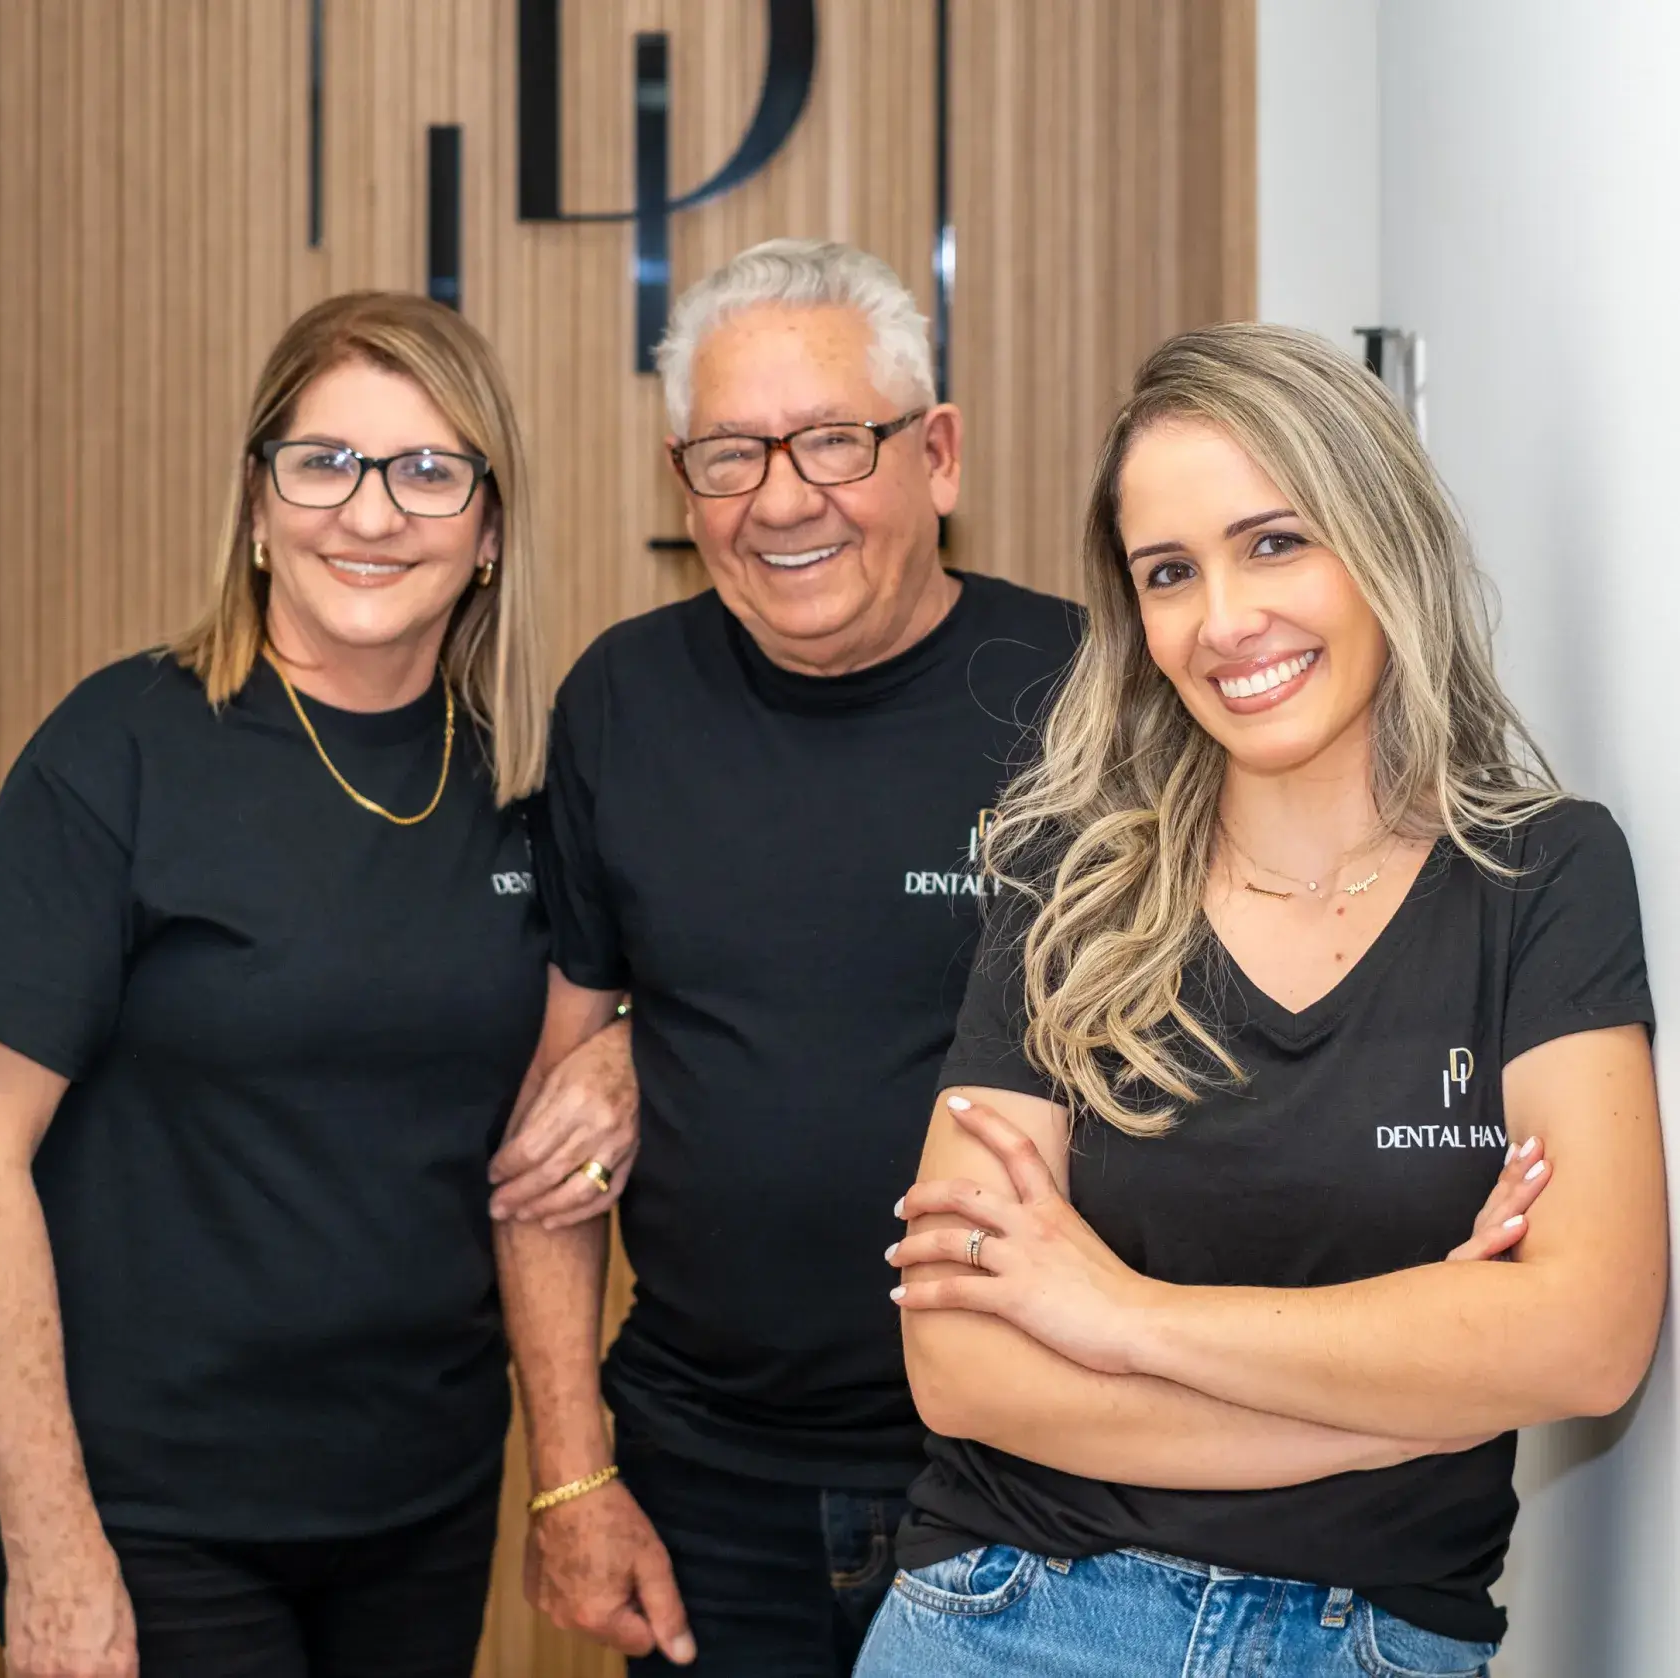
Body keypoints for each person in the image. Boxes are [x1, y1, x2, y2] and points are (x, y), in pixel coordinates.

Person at [856, 323, 1666, 1677]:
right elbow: (965, 1369)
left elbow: (1582, 1338)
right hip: (1018, 1615)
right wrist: (1414, 1400)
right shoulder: (1064, 878)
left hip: (1377, 1642)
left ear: (1379, 540)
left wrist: (1122, 1314)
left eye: (1274, 541)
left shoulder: (1542, 874)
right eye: (1168, 572)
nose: (1224, 621)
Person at [0, 291, 634, 1678]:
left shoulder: (522, 783)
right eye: (325, 461)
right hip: (155, 1515)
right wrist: (46, 1533)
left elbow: (599, 1018)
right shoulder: (121, 752)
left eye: (426, 470)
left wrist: (624, 1049)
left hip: (423, 1498)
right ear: (260, 501)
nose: (370, 513)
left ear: (488, 529)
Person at [486, 239, 1083, 1675]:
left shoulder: (1082, 696)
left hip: (1026, 1485)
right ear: (681, 484)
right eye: (730, 455)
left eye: (833, 440)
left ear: (935, 455)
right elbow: (554, 1136)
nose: (782, 498)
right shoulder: (624, 698)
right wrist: (571, 1478)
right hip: (703, 1491)